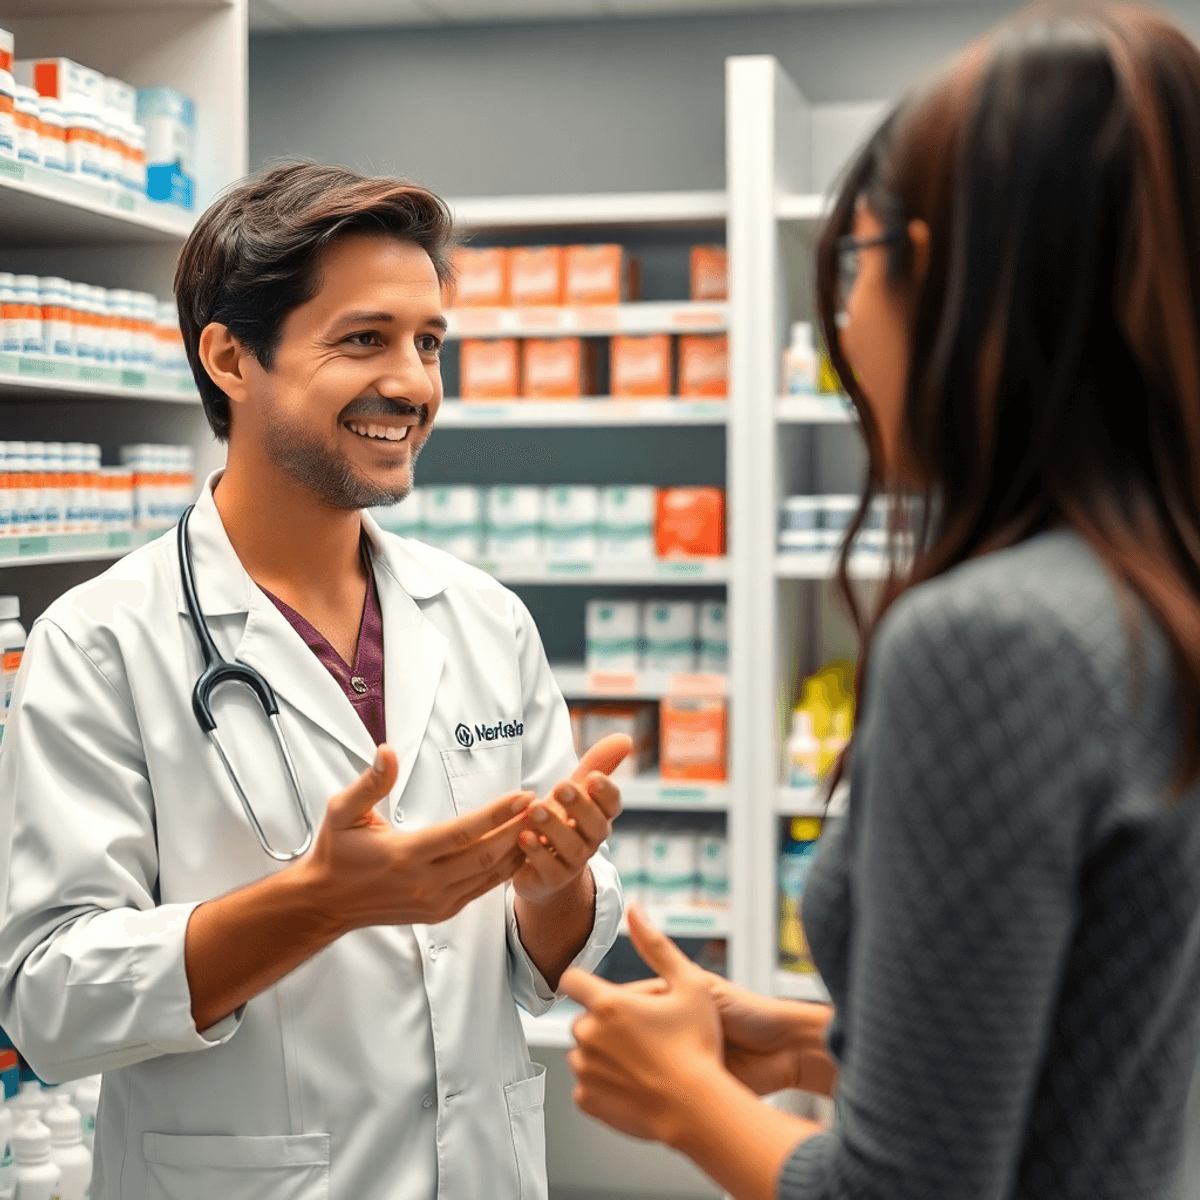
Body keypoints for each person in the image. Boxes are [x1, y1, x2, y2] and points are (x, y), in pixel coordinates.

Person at [562, 7, 1200, 1199]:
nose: (842, 326)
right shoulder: (1152, 590)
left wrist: (685, 1100)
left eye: (856, 267)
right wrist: (807, 1041)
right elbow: (1095, 1048)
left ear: (955, 275)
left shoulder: (995, 636)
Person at [0, 161, 626, 1200]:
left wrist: (553, 884)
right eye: (364, 339)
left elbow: (538, 958)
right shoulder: (102, 640)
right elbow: (51, 997)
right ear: (231, 357)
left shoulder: (482, 618)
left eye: (430, 342)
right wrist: (317, 903)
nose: (415, 383)